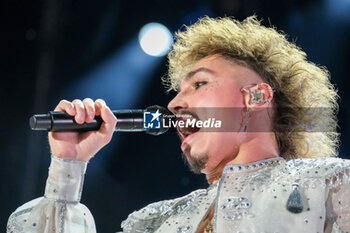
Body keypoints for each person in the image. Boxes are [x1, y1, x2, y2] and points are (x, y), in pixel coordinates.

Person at [7, 16, 350, 233]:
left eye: (200, 84)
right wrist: (68, 164)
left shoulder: (328, 186)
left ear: (256, 98)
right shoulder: (157, 222)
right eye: (177, 90)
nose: (173, 103)